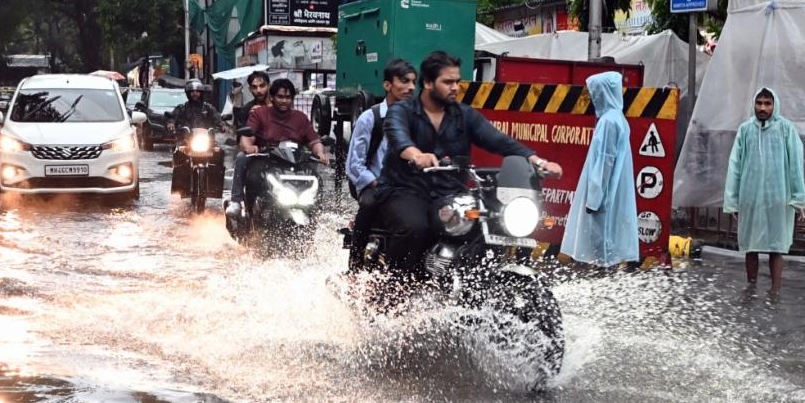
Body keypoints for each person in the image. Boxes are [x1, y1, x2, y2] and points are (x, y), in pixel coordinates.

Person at [379, 51, 563, 275]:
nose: (455, 87)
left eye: (457, 81)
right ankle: (394, 287)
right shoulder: (402, 110)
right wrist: (416, 155)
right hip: (406, 189)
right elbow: (399, 138)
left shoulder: (464, 115)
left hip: (449, 192)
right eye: (447, 82)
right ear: (427, 83)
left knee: (491, 221)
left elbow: (498, 140)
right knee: (416, 227)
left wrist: (538, 161)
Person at [723, 87, 805, 291]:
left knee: (776, 246)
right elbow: (734, 166)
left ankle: (775, 291)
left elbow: (796, 165)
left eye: (767, 103)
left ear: (774, 105)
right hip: (749, 196)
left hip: (778, 197)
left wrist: (798, 198)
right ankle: (751, 288)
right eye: (759, 103)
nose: (762, 107)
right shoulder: (745, 130)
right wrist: (733, 200)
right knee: (750, 247)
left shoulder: (786, 129)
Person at [561, 72, 638, 266]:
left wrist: (594, 199)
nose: (593, 98)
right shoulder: (618, 119)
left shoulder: (608, 122)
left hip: (603, 194)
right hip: (609, 191)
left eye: (595, 92)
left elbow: (604, 163)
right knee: (607, 236)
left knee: (600, 238)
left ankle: (602, 279)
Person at [227, 78, 329, 216]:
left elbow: (314, 141)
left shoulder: (300, 118)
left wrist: (321, 154)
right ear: (272, 97)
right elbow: (247, 137)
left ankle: (315, 214)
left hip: (295, 163)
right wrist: (249, 147)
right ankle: (237, 202)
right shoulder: (260, 113)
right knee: (243, 159)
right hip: (266, 160)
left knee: (316, 178)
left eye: (288, 97)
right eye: (280, 97)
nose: (283, 101)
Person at [345, 59, 417, 245]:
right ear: (387, 85)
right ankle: (356, 263)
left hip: (407, 187)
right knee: (369, 205)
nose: (410, 87)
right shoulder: (370, 118)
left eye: (413, 82)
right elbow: (354, 164)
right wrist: (375, 182)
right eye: (404, 81)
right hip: (374, 184)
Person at [170, 79, 226, 195]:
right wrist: (170, 123)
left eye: (197, 91)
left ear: (201, 93)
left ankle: (215, 187)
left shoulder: (208, 108)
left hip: (206, 141)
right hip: (187, 140)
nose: (195, 94)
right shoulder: (182, 108)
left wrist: (222, 125)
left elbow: (217, 118)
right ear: (188, 93)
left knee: (219, 153)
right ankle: (180, 188)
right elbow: (172, 117)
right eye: (192, 91)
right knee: (178, 152)